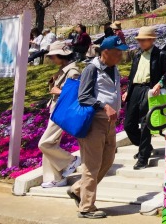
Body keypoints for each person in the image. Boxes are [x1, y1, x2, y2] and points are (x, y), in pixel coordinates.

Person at [68, 35, 127, 219]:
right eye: (117, 52)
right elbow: (83, 97)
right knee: (91, 166)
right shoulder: (91, 69)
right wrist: (104, 105)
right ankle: (86, 207)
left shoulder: (113, 68)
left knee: (107, 160)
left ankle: (78, 189)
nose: (121, 56)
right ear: (106, 52)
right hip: (95, 122)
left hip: (110, 123)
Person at [124, 26, 166, 170]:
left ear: (151, 40)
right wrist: (127, 91)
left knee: (145, 124)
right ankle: (146, 147)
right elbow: (132, 76)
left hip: (149, 90)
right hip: (135, 89)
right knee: (128, 124)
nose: (141, 43)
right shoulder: (137, 55)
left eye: (143, 40)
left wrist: (159, 84)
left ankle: (143, 157)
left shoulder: (160, 54)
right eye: (139, 40)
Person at [38, 42, 81, 188]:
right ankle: (56, 178)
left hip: (62, 112)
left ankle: (71, 160)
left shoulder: (72, 71)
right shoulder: (63, 70)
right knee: (50, 145)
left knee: (44, 143)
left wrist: (59, 91)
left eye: (53, 56)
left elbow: (76, 94)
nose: (51, 59)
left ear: (61, 55)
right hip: (56, 109)